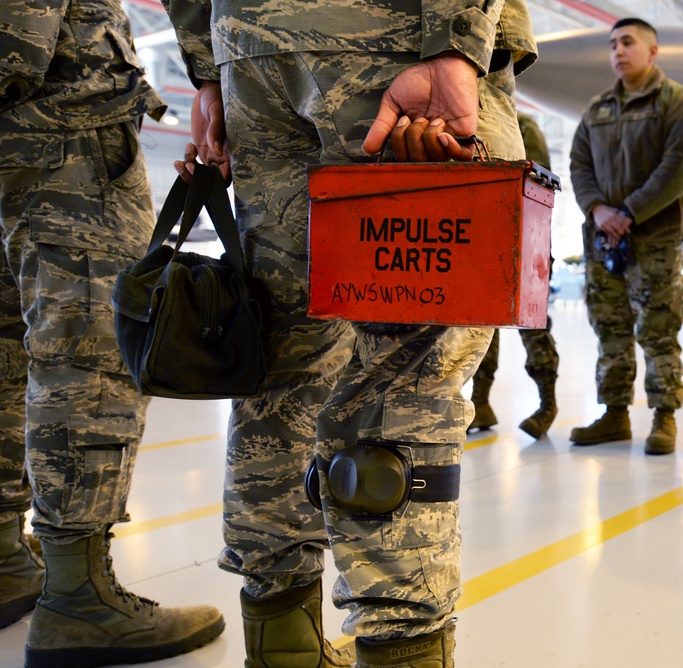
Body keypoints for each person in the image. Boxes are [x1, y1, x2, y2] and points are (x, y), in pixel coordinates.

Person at [161, 0, 537, 665]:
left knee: (278, 353)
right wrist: (453, 41)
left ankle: (282, 646)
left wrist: (210, 67)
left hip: (250, 49)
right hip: (396, 36)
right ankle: (400, 644)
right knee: (406, 366)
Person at [0, 1, 225, 665]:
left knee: (6, 348)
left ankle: (6, 558)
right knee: (91, 352)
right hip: (61, 114)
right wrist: (211, 72)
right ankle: (79, 596)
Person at [568, 18, 683, 456]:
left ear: (653, 51)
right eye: (612, 45)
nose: (618, 51)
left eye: (627, 42)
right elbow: (579, 165)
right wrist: (598, 209)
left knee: (659, 330)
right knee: (610, 329)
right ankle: (614, 415)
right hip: (604, 242)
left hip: (656, 242)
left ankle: (664, 417)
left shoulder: (676, 103)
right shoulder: (597, 109)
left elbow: (681, 166)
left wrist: (630, 212)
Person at [468, 112, 560, 439]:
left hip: (523, 238)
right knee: (479, 325)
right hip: (480, 238)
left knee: (533, 324)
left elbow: (537, 180)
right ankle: (479, 401)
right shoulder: (466, 121)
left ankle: (547, 404)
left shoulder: (522, 125)